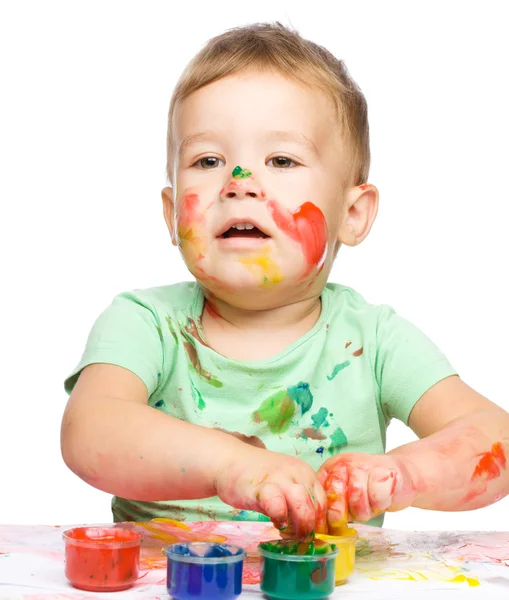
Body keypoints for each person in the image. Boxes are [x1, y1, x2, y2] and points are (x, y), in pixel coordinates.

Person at [61, 22, 509, 538]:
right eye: (208, 160)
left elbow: (492, 438)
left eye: (281, 160)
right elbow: (88, 430)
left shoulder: (373, 340)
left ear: (353, 213)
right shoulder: (145, 325)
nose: (239, 183)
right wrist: (232, 465)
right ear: (170, 214)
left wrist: (406, 475)